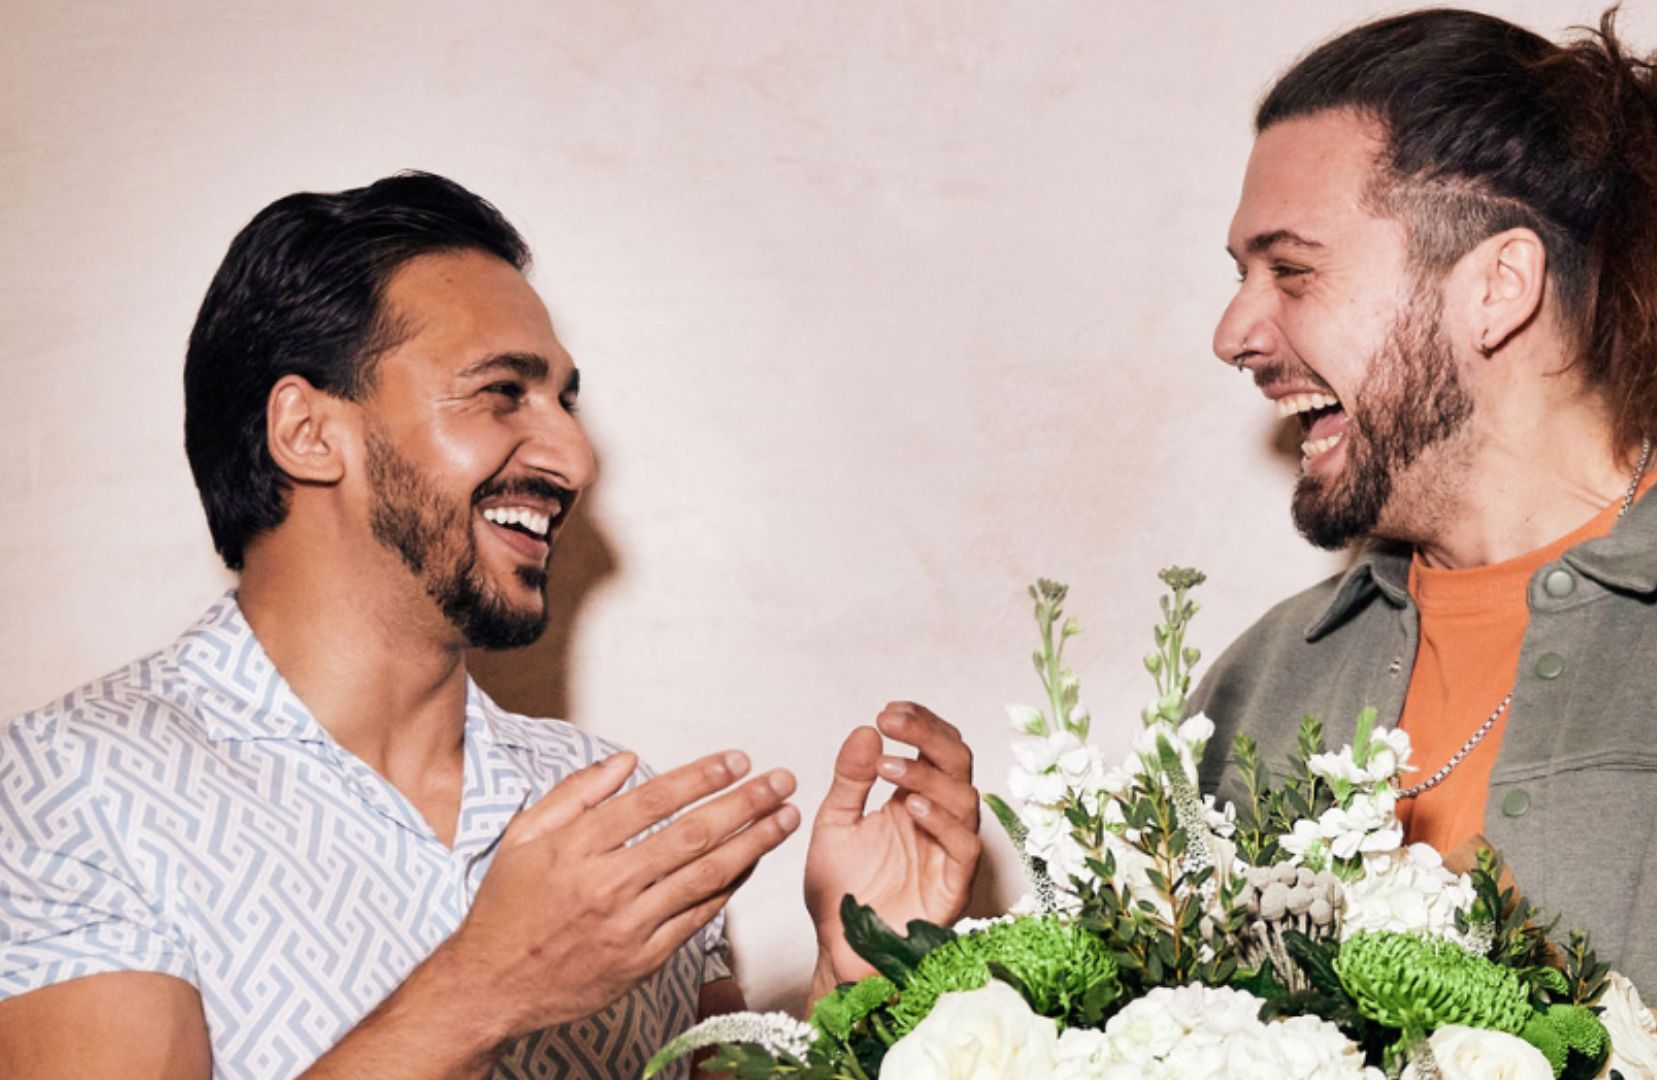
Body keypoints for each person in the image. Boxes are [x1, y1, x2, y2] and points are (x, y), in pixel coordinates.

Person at [0, 173, 982, 1079]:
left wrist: (868, 986)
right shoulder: (70, 792)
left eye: (564, 400)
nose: (575, 458)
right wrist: (483, 987)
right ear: (306, 431)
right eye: (502, 392)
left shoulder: (615, 809)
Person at [1190, 10, 1657, 1078]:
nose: (1234, 333)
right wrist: (887, 990)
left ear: (1499, 286)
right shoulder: (1257, 685)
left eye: (1291, 270)